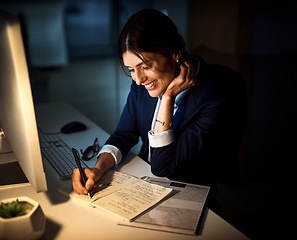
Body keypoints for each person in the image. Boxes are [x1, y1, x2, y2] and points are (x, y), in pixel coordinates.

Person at [72, 9, 246, 199]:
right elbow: (124, 134)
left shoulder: (213, 97)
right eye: (131, 69)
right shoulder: (142, 82)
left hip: (186, 194)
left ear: (175, 54)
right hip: (143, 181)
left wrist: (168, 97)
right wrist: (98, 169)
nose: (138, 80)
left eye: (146, 67)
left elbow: (163, 167)